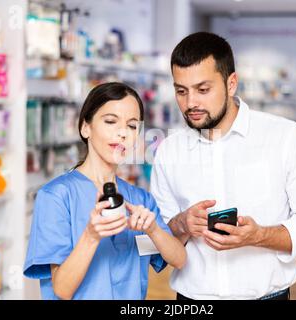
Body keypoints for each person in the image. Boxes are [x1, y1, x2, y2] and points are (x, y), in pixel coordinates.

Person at [150, 32, 296, 300]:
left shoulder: (285, 137)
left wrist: (259, 236)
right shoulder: (169, 150)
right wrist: (181, 224)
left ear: (231, 83)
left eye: (203, 90)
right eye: (181, 91)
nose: (191, 103)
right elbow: (161, 241)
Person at [23, 82, 186, 300]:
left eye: (132, 126)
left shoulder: (140, 200)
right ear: (85, 127)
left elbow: (180, 260)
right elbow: (61, 289)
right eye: (110, 121)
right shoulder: (56, 196)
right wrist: (91, 236)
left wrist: (154, 230)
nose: (122, 133)